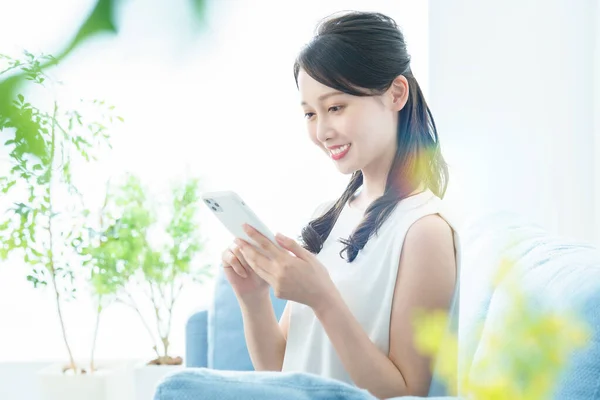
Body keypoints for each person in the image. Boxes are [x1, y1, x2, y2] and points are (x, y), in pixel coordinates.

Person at [155, 10, 460, 400]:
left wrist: (323, 298)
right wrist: (252, 297)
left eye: (336, 108)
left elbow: (405, 392)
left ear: (396, 93)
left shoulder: (424, 232)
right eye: (310, 114)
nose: (321, 131)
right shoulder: (329, 215)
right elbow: (281, 369)